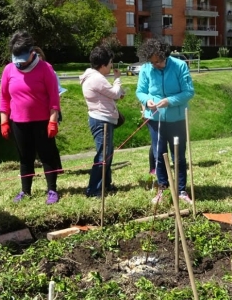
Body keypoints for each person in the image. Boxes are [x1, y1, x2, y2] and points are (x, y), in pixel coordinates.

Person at [0, 31, 62, 204]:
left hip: (42, 122)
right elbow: (4, 97)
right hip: (19, 122)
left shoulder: (45, 68)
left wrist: (53, 120)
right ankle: (25, 191)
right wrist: (4, 121)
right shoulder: (8, 70)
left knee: (47, 156)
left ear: (32, 51)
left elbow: (54, 98)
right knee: (25, 158)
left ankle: (52, 190)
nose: (19, 61)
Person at [136, 39, 195, 204]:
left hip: (177, 119)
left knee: (178, 156)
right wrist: (147, 100)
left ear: (165, 56)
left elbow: (188, 92)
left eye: (158, 61)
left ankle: (182, 190)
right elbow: (140, 91)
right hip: (155, 119)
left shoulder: (179, 66)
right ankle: (163, 188)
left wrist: (170, 101)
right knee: (159, 155)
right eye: (152, 62)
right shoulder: (147, 69)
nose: (155, 65)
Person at [80, 46, 124, 197]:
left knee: (106, 154)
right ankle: (94, 189)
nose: (112, 66)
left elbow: (108, 95)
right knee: (103, 155)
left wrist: (116, 93)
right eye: (111, 63)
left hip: (101, 119)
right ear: (103, 64)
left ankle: (105, 185)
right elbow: (114, 93)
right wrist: (117, 79)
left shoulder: (92, 77)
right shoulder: (96, 78)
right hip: (101, 121)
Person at [33, 46, 65, 123]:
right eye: (34, 56)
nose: (36, 59)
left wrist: (56, 113)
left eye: (38, 55)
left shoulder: (50, 72)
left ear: (41, 56)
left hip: (48, 113)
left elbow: (56, 94)